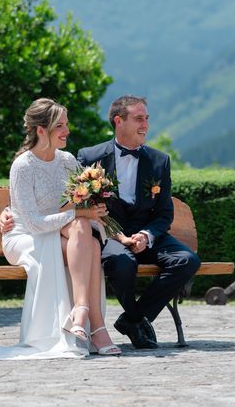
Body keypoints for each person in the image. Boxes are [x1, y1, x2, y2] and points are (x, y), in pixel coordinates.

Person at [0, 98, 121, 360]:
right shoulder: (23, 166)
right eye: (60, 126)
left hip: (61, 231)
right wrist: (78, 213)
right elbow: (32, 223)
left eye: (66, 124)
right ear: (41, 130)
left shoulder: (67, 161)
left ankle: (82, 312)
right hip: (24, 236)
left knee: (84, 235)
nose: (67, 131)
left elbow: (76, 204)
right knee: (85, 241)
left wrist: (88, 214)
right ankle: (96, 326)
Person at [77, 95, 201, 349]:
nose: (145, 124)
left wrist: (147, 235)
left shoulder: (159, 161)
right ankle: (136, 320)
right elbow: (83, 205)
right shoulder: (90, 158)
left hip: (148, 235)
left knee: (187, 260)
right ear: (118, 121)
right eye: (138, 119)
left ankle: (133, 318)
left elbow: (164, 213)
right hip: (110, 234)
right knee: (121, 263)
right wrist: (118, 236)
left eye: (146, 119)